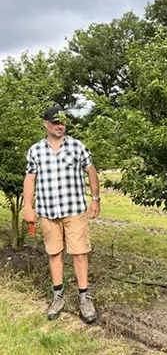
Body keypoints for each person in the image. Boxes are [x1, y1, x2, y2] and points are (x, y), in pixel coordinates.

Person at [23, 105, 100, 323]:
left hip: (74, 210)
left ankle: (84, 298)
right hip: (48, 211)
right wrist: (28, 206)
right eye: (55, 122)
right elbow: (30, 179)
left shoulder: (77, 146)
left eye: (63, 122)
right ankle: (58, 296)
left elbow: (91, 171)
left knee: (79, 253)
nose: (60, 126)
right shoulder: (35, 150)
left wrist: (95, 199)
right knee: (54, 253)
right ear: (45, 124)